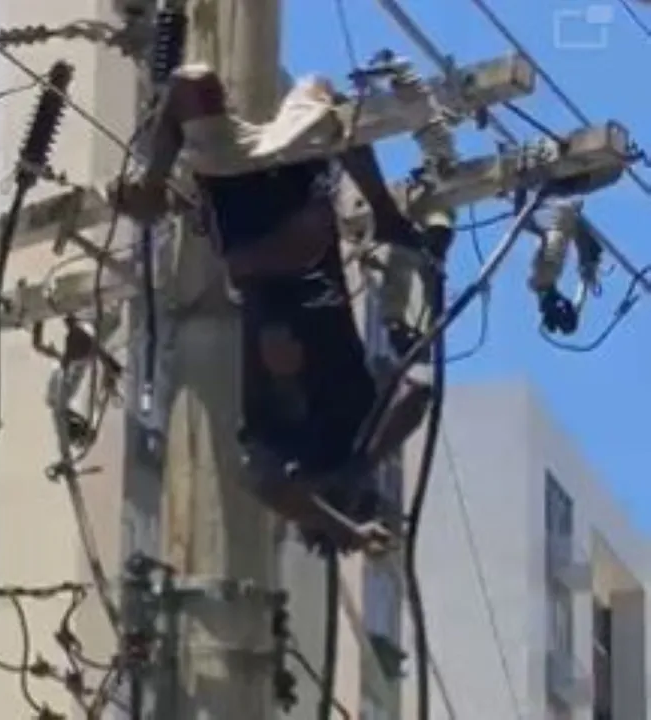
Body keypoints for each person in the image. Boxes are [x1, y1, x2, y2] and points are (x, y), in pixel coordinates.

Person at [111, 64, 454, 549]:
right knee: (320, 89)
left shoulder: (281, 447)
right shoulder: (361, 433)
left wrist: (347, 531)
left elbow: (266, 483)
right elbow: (418, 395)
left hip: (251, 218)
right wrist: (358, 469)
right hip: (295, 191)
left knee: (192, 83)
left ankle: (151, 191)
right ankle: (383, 212)